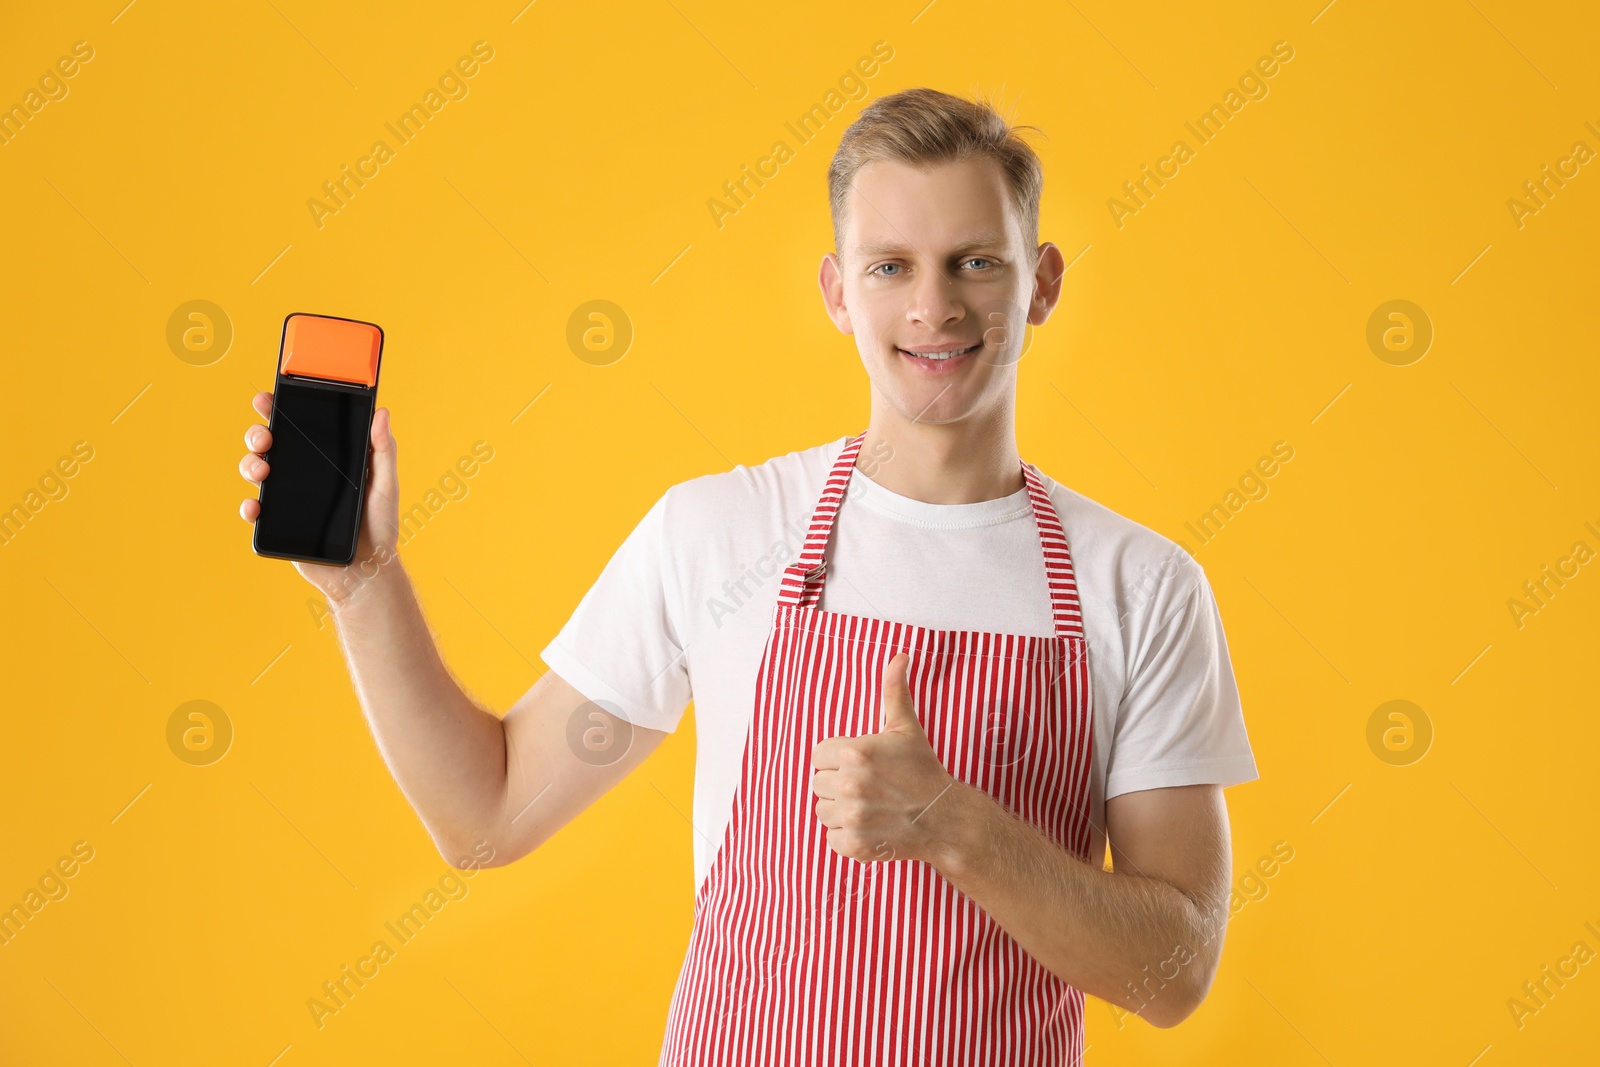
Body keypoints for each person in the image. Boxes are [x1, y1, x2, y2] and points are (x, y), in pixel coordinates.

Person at [238, 86, 1259, 1063]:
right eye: (890, 266)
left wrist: (962, 826)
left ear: (1040, 281)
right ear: (835, 291)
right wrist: (362, 584)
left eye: (974, 261)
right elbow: (487, 814)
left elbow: (1174, 972)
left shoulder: (1142, 586)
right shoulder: (720, 533)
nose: (934, 306)